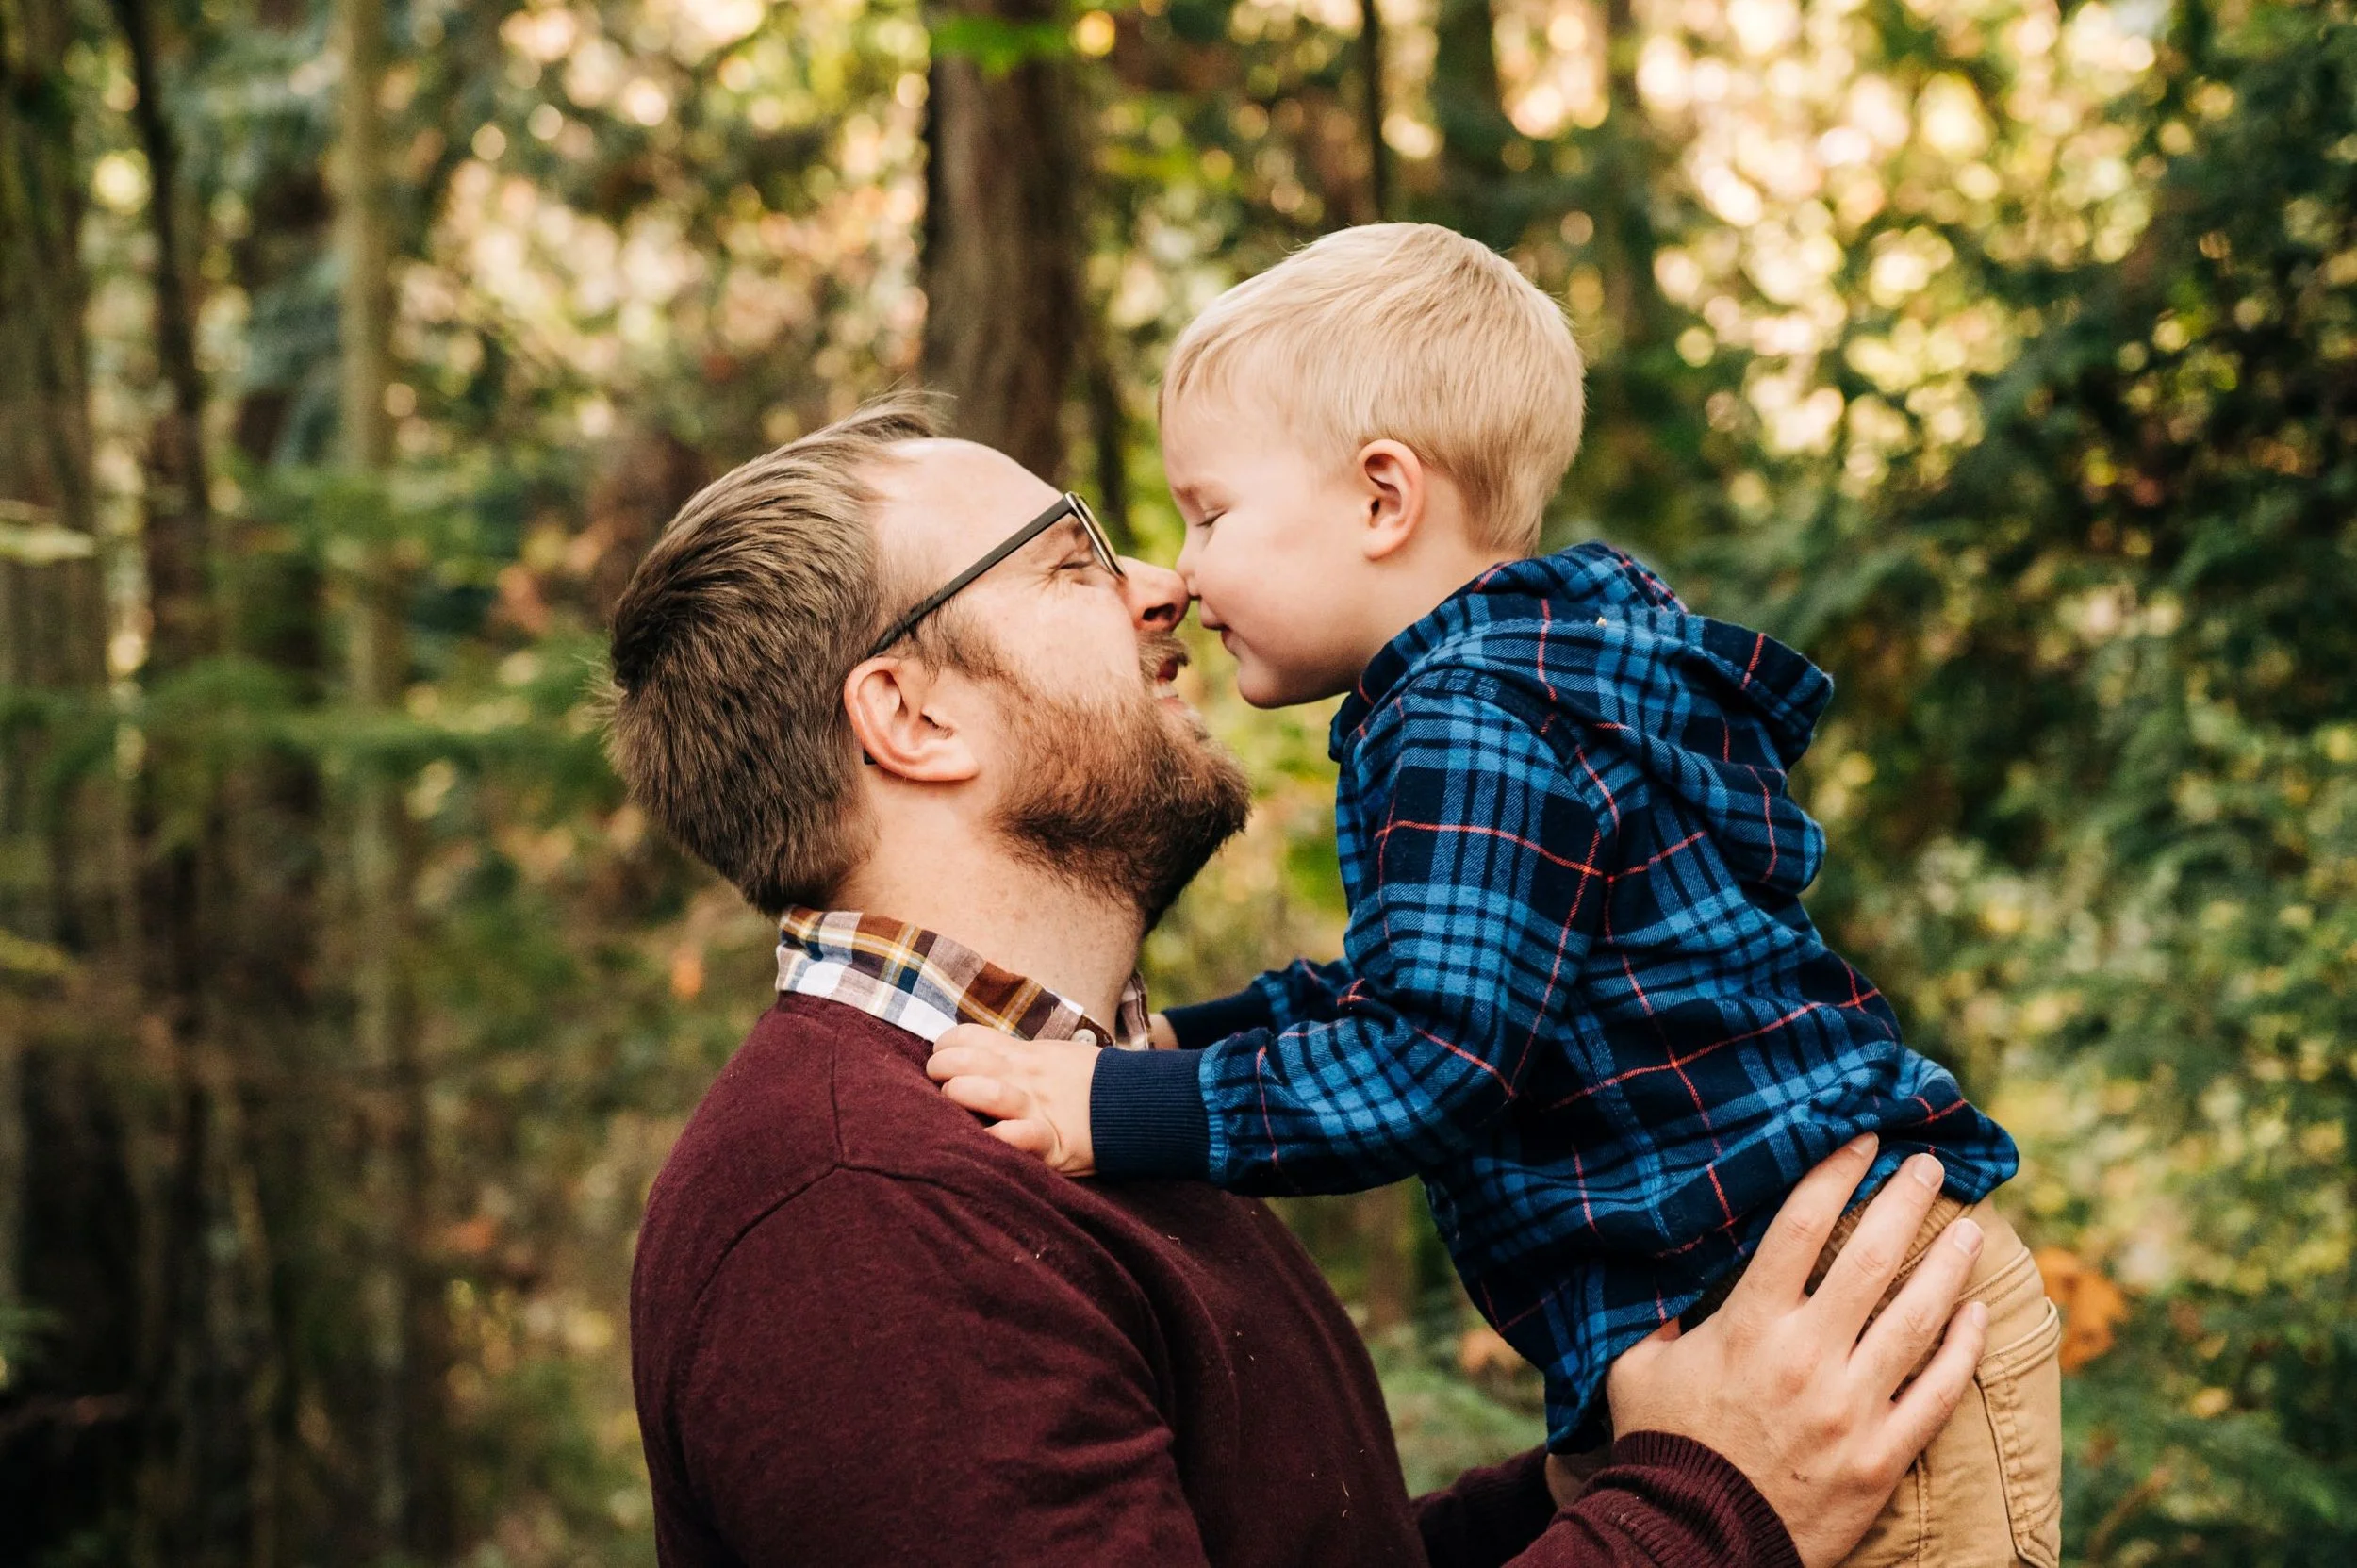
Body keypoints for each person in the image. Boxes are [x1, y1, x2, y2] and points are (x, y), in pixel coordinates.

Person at [606, 398, 1994, 1567]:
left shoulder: (1071, 1120)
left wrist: (1597, 1486)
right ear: (913, 715)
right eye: (1068, 558)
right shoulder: (855, 1215)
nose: (1165, 585)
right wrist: (1709, 1506)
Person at [923, 225, 2061, 1566]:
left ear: (1382, 499)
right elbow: (1411, 994)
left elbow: (1433, 1060)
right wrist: (1190, 1036)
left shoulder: (1469, 715)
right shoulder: (1520, 682)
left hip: (1853, 1329)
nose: (1183, 572)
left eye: (1211, 513)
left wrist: (1112, 1104)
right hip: (1792, 1315)